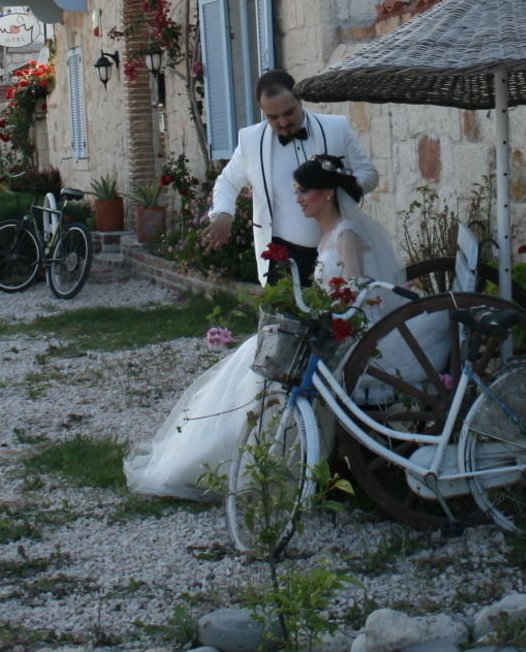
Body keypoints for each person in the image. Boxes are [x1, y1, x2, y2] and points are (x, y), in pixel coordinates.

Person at [123, 155, 409, 500]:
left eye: (304, 191)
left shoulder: (346, 234)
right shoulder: (328, 234)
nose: (299, 199)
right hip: (324, 325)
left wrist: (321, 313)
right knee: (254, 357)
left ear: (328, 193)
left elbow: (356, 294)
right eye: (296, 191)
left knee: (258, 364)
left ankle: (254, 461)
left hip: (344, 333)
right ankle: (216, 457)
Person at [207, 69, 379, 286]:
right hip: (284, 257)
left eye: (289, 113)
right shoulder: (250, 141)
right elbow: (228, 181)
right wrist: (223, 214)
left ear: (300, 100)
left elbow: (369, 174)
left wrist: (339, 190)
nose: (282, 122)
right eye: (273, 117)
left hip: (338, 249)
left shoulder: (336, 128)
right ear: (262, 112)